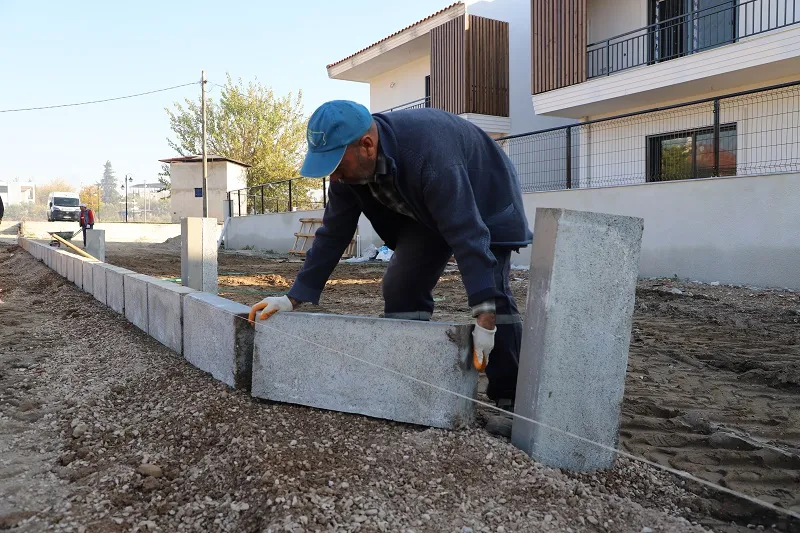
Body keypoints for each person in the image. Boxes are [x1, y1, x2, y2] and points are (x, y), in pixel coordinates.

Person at [252, 100, 532, 414]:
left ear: (367, 146)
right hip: (424, 210)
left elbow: (468, 234)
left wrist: (486, 322)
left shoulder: (429, 153)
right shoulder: (347, 171)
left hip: (487, 199)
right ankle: (411, 374)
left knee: (492, 292)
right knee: (401, 284)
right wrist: (293, 297)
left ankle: (511, 398)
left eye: (337, 167)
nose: (335, 177)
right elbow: (333, 234)